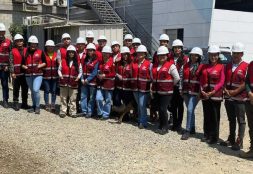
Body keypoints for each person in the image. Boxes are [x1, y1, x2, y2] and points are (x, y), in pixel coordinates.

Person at [221, 42, 248, 150]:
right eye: (234, 53)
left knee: (241, 120)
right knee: (231, 119)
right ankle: (231, 138)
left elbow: (246, 82)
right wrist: (225, 90)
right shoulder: (227, 66)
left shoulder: (246, 66)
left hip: (240, 98)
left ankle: (239, 141)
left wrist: (235, 91)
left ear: (242, 54)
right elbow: (223, 80)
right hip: (229, 97)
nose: (235, 55)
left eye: (238, 53)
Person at [151, 46, 180, 135]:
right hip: (157, 91)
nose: (162, 57)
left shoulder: (171, 66)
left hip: (167, 92)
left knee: (163, 109)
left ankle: (165, 127)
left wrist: (170, 85)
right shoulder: (155, 66)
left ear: (167, 56)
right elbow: (152, 77)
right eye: (160, 55)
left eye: (164, 55)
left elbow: (177, 78)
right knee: (160, 109)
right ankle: (161, 124)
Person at [199, 45, 225, 144]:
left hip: (215, 95)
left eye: (215, 55)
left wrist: (213, 91)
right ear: (208, 55)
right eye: (211, 55)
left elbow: (222, 81)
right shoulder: (205, 67)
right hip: (205, 95)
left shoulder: (221, 67)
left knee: (214, 116)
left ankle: (214, 137)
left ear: (218, 55)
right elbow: (201, 80)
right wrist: (202, 90)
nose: (213, 57)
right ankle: (206, 134)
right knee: (207, 115)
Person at [181, 47, 203, 140]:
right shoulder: (185, 66)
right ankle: (193, 127)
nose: (194, 57)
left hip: (195, 93)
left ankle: (187, 130)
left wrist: (200, 93)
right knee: (191, 110)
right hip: (186, 91)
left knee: (189, 110)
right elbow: (181, 78)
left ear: (199, 57)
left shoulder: (201, 67)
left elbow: (203, 81)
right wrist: (180, 89)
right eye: (193, 55)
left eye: (196, 55)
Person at [22, 35, 46, 114]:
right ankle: (34, 106)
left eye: (35, 44)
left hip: (38, 74)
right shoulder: (25, 52)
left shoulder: (40, 52)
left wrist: (39, 66)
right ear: (29, 44)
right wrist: (25, 67)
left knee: (36, 90)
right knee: (32, 91)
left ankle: (38, 106)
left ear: (37, 44)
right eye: (32, 44)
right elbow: (22, 64)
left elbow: (44, 62)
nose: (33, 45)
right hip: (28, 75)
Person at [112, 46, 137, 122]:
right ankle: (117, 115)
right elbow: (114, 71)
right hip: (119, 87)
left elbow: (133, 76)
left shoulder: (132, 64)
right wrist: (116, 75)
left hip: (127, 88)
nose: (125, 56)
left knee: (126, 103)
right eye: (123, 54)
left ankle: (126, 116)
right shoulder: (118, 63)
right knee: (116, 100)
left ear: (129, 55)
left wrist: (123, 78)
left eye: (126, 54)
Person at [169, 39, 189, 133]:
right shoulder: (170, 58)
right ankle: (174, 123)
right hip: (171, 85)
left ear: (181, 48)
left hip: (180, 86)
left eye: (179, 48)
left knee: (180, 105)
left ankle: (179, 125)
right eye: (175, 48)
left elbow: (185, 73)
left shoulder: (185, 59)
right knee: (173, 105)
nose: (177, 49)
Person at [58, 45, 82, 117]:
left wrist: (78, 78)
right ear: (67, 53)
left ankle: (72, 112)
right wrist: (61, 76)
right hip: (64, 82)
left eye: (72, 52)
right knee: (63, 98)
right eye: (70, 52)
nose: (71, 54)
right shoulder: (63, 61)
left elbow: (80, 72)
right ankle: (63, 111)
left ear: (75, 53)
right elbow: (59, 70)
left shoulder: (78, 62)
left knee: (73, 98)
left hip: (73, 83)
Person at [132, 45, 151, 129]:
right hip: (135, 88)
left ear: (145, 54)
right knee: (139, 105)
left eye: (141, 53)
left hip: (144, 88)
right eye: (138, 53)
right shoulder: (134, 63)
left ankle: (143, 122)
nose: (140, 54)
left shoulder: (149, 64)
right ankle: (140, 120)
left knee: (142, 105)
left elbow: (151, 76)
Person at [10, 34, 29, 111]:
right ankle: (15, 103)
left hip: (25, 73)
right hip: (16, 74)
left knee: (25, 89)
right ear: (15, 42)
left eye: (21, 41)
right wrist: (12, 72)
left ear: (23, 41)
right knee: (16, 89)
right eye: (17, 41)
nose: (19, 42)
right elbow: (11, 62)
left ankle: (24, 103)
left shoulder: (27, 50)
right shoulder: (12, 51)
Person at [96, 46, 115, 120]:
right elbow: (98, 71)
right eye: (104, 53)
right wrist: (98, 75)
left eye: (107, 53)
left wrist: (105, 75)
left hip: (109, 84)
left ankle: (106, 114)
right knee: (98, 98)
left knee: (108, 100)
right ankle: (100, 113)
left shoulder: (112, 62)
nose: (105, 55)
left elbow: (114, 74)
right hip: (100, 84)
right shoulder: (100, 62)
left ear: (109, 54)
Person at [80, 43, 99, 118]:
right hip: (84, 81)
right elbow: (80, 69)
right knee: (83, 96)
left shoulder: (96, 61)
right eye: (89, 50)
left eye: (92, 50)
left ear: (94, 51)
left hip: (92, 82)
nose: (90, 52)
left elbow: (95, 72)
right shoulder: (84, 60)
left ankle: (90, 112)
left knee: (91, 98)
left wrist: (87, 80)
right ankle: (83, 111)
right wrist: (82, 79)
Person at [240, 60, 253, 158]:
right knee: (252, 127)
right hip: (250, 100)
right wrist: (249, 92)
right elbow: (247, 80)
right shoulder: (251, 64)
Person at [43, 40, 58, 113]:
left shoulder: (57, 54)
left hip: (55, 77)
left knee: (54, 91)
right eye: (48, 46)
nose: (50, 48)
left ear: (54, 47)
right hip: (46, 76)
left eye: (51, 46)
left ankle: (53, 105)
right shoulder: (43, 54)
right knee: (46, 91)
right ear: (46, 47)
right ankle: (46, 104)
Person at [0, 23, 11, 108]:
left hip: (4, 68)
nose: (1, 33)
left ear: (4, 32)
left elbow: (11, 55)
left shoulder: (8, 42)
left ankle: (5, 100)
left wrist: (9, 65)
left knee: (4, 84)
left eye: (2, 31)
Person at [76, 37, 86, 113]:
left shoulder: (87, 53)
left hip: (84, 76)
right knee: (76, 92)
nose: (80, 46)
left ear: (84, 45)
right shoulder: (74, 52)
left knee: (83, 93)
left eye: (82, 44)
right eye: (78, 44)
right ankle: (76, 107)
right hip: (75, 75)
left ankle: (83, 109)